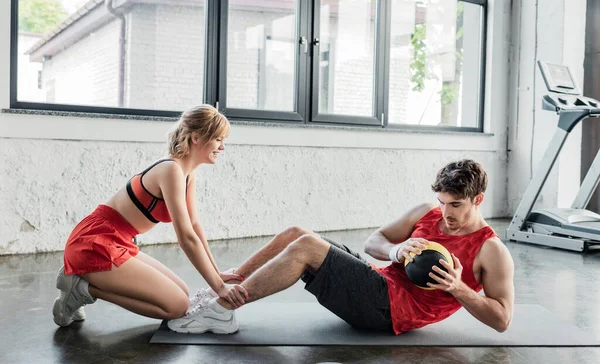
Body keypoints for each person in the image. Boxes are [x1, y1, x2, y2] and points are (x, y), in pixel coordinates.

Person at [168, 159, 515, 335]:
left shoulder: (491, 251)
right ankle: (225, 288)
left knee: (306, 247)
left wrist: (457, 288)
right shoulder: (427, 213)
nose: (446, 213)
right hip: (381, 283)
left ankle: (224, 311)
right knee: (296, 232)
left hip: (392, 312)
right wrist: (397, 250)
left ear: (478, 199)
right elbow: (373, 242)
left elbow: (501, 320)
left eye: (456, 205)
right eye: (443, 202)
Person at [52, 104, 249, 327]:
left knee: (182, 292)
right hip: (93, 243)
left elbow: (194, 226)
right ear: (196, 137)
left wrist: (216, 273)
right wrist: (218, 287)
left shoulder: (188, 174)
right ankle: (82, 289)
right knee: (177, 306)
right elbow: (186, 237)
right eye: (219, 139)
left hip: (119, 242)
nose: (222, 147)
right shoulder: (171, 170)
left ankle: (80, 283)